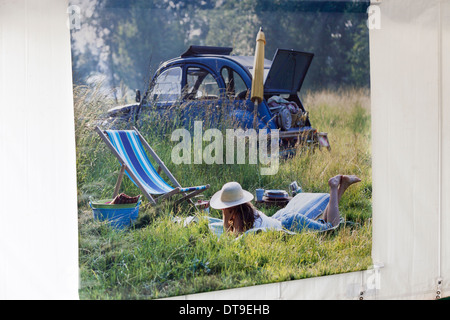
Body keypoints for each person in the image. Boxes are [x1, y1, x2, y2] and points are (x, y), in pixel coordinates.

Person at [209, 175, 361, 235]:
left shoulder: (241, 221)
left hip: (290, 223)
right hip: (281, 218)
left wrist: (225, 217)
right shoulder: (247, 212)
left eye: (224, 208)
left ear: (229, 208)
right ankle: (343, 186)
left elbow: (230, 240)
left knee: (330, 228)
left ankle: (334, 187)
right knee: (323, 223)